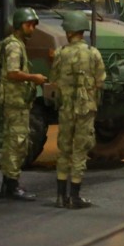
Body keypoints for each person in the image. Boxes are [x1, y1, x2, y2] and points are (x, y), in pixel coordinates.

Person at [50, 11, 105, 209]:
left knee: (64, 149)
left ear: (70, 32)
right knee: (80, 151)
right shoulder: (93, 53)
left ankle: (59, 196)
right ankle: (74, 197)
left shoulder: (60, 53)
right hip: (85, 109)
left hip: (66, 109)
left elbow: (53, 80)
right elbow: (100, 81)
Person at [0, 7, 48, 200]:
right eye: (29, 24)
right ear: (19, 25)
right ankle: (11, 185)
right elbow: (12, 73)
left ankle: (9, 184)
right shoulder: (14, 46)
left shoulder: (16, 44)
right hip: (14, 101)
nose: (32, 28)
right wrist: (33, 77)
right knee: (16, 143)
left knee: (16, 142)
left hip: (17, 101)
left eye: (34, 25)